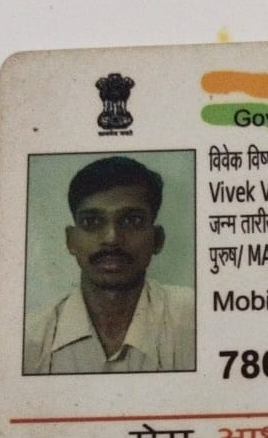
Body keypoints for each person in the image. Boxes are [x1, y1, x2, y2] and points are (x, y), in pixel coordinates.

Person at [24, 156, 195, 374]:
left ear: (157, 239)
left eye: (131, 220)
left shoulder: (195, 320)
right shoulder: (30, 340)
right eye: (92, 222)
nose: (111, 238)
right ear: (70, 240)